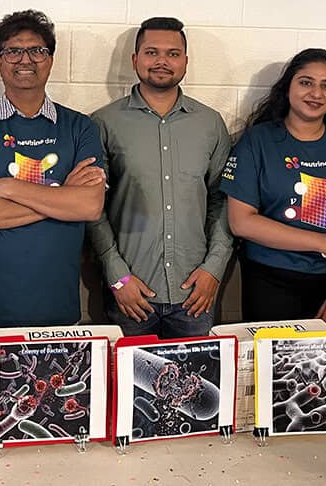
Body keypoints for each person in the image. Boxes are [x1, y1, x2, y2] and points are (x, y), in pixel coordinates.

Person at [0, 10, 106, 344]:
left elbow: (89, 206)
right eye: (13, 51)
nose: (25, 59)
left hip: (60, 317)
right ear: (0, 62)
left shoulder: (80, 127)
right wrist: (62, 197)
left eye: (37, 50)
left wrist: (6, 187)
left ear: (51, 60)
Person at [88, 17, 233, 338]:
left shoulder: (210, 124)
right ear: (135, 59)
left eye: (173, 54)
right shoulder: (103, 123)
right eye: (152, 52)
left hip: (195, 294)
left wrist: (213, 269)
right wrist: (116, 274)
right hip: (130, 295)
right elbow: (93, 208)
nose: (162, 61)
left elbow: (222, 201)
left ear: (185, 61)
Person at [221, 48, 326, 329]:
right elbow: (241, 222)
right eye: (306, 82)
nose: (316, 93)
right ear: (288, 87)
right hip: (269, 282)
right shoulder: (258, 141)